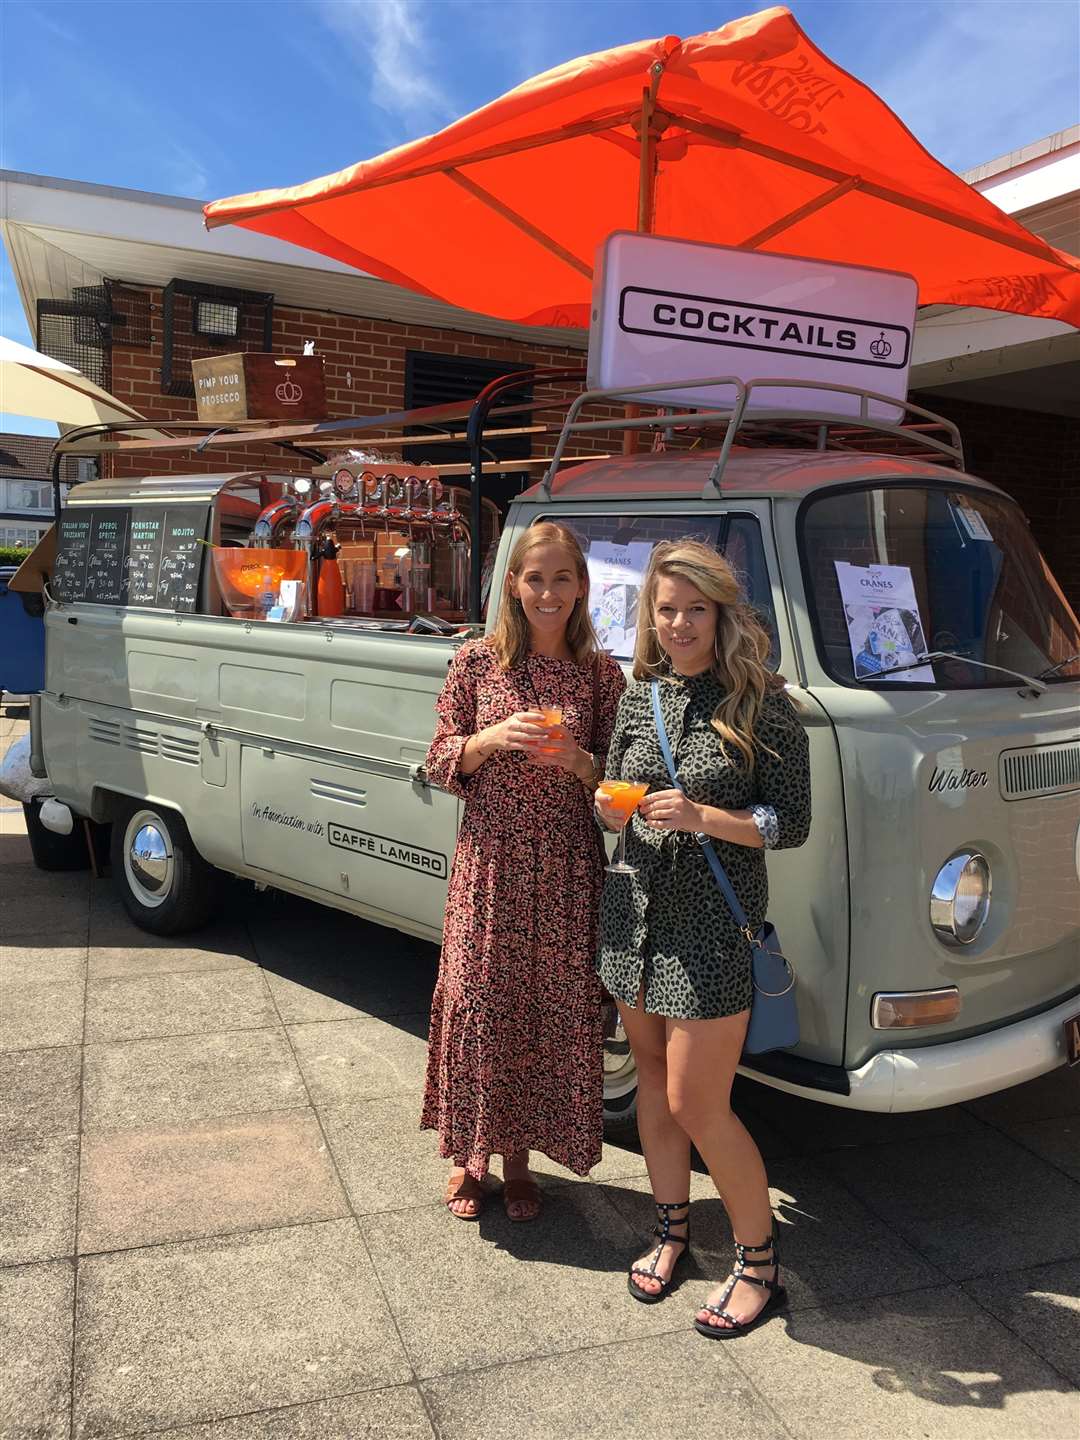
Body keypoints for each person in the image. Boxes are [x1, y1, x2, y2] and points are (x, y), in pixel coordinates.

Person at [595, 539, 810, 1336]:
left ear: (721, 614)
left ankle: (759, 1265)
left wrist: (702, 817)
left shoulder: (762, 701)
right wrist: (611, 807)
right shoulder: (637, 693)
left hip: (713, 931)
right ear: (650, 616)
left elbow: (789, 823)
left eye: (695, 609)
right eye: (666, 609)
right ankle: (672, 1231)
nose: (680, 623)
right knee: (651, 1081)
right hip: (634, 915)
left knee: (697, 1102)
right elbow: (610, 788)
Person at [422, 521, 625, 1221]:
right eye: (534, 578)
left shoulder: (602, 676)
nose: (548, 592)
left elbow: (617, 782)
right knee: (481, 1002)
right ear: (512, 584)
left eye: (561, 579)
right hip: (490, 866)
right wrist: (487, 739)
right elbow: (438, 760)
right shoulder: (477, 663)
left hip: (567, 868)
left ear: (581, 587)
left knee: (546, 1011)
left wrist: (576, 760)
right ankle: (468, 1158)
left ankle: (519, 1163)